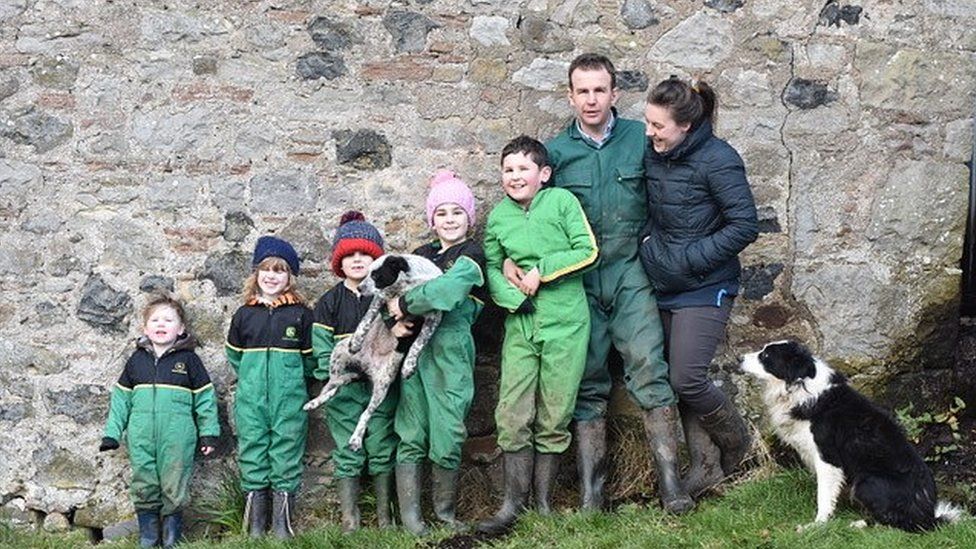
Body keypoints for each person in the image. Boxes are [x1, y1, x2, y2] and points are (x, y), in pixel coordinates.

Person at [542, 53, 692, 513]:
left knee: (649, 366)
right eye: (582, 91)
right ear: (570, 96)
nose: (591, 100)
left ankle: (672, 486)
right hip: (579, 280)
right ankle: (592, 494)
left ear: (614, 94)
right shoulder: (556, 152)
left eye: (599, 90)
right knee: (587, 377)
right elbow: (541, 216)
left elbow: (671, 189)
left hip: (630, 271)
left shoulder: (638, 139)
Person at [640, 76, 758, 496]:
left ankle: (738, 445)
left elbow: (745, 225)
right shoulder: (656, 153)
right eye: (648, 122)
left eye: (658, 126)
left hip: (705, 285)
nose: (649, 132)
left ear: (685, 125)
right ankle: (705, 467)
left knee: (687, 377)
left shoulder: (719, 159)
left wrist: (689, 259)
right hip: (663, 279)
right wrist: (650, 247)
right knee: (678, 377)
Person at [477, 136, 598, 534]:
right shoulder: (498, 218)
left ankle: (543, 503)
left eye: (523, 169)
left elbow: (587, 250)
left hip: (565, 319)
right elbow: (493, 267)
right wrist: (513, 296)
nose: (515, 176)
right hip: (521, 323)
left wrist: (540, 269)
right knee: (512, 412)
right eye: (508, 170)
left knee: (556, 412)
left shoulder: (562, 203)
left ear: (543, 174)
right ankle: (513, 503)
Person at [385, 169, 487, 534]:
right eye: (441, 213)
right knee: (411, 428)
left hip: (450, 348)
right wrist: (392, 316)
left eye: (457, 212)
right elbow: (388, 294)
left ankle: (444, 515)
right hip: (414, 348)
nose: (449, 220)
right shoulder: (419, 255)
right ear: (432, 219)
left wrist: (406, 302)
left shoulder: (472, 255)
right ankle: (412, 519)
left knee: (447, 429)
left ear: (469, 218)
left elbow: (447, 292)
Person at [311, 211, 409, 533]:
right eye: (349, 254)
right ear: (339, 261)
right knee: (347, 450)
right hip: (345, 390)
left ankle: (385, 517)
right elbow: (322, 347)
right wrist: (336, 375)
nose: (357, 260)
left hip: (379, 385)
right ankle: (350, 520)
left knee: (382, 444)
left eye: (365, 255)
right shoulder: (329, 302)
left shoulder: (386, 299)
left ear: (376, 261)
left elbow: (399, 336)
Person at [100, 294, 219, 548]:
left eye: (168, 320)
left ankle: (171, 537)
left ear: (181, 328)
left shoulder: (189, 361)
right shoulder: (136, 361)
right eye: (155, 320)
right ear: (145, 328)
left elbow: (206, 400)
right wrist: (112, 433)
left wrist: (208, 433)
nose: (161, 324)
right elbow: (121, 400)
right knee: (144, 481)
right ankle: (148, 536)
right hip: (141, 435)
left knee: (174, 483)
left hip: (177, 436)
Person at [225, 236, 314, 539]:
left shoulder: (301, 314)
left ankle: (281, 525)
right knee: (252, 449)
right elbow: (234, 357)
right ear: (256, 274)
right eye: (266, 269)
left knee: (286, 450)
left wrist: (291, 383)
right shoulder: (244, 315)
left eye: (280, 270)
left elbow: (310, 361)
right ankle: (255, 525)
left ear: (290, 277)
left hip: (289, 399)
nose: (272, 276)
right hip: (251, 399)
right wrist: (252, 381)